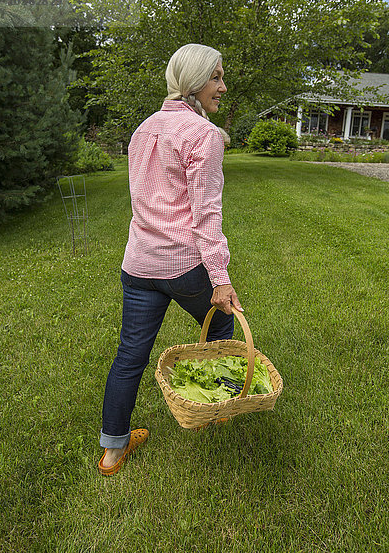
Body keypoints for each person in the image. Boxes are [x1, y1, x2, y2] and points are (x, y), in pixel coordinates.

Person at [98, 43, 243, 476]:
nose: (222, 85)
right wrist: (220, 279)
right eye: (216, 77)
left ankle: (112, 449)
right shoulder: (204, 136)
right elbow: (206, 216)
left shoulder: (143, 129)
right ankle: (218, 410)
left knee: (130, 355)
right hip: (183, 266)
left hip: (138, 265)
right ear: (195, 83)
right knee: (220, 328)